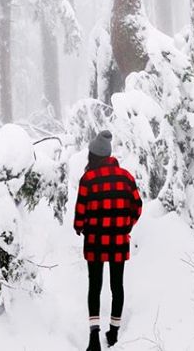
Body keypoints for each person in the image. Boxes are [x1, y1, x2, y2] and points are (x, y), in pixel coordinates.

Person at [73, 130, 143, 351]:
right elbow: (138, 207)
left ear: (93, 156)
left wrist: (80, 228)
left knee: (95, 287)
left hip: (94, 242)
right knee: (117, 286)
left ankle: (94, 337)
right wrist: (126, 225)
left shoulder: (88, 179)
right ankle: (113, 332)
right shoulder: (127, 178)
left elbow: (80, 215)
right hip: (119, 242)